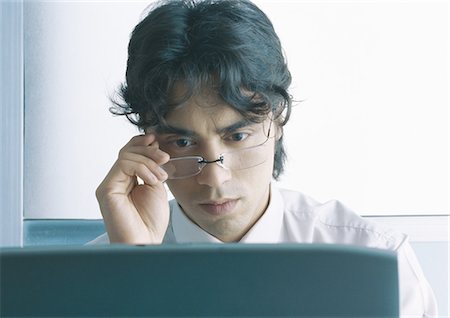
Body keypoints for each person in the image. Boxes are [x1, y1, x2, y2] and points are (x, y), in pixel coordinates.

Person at [92, 0, 438, 316]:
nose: (214, 179)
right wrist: (136, 270)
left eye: (238, 136)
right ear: (145, 141)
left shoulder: (376, 263)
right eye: (182, 141)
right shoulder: (94, 270)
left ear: (278, 119)